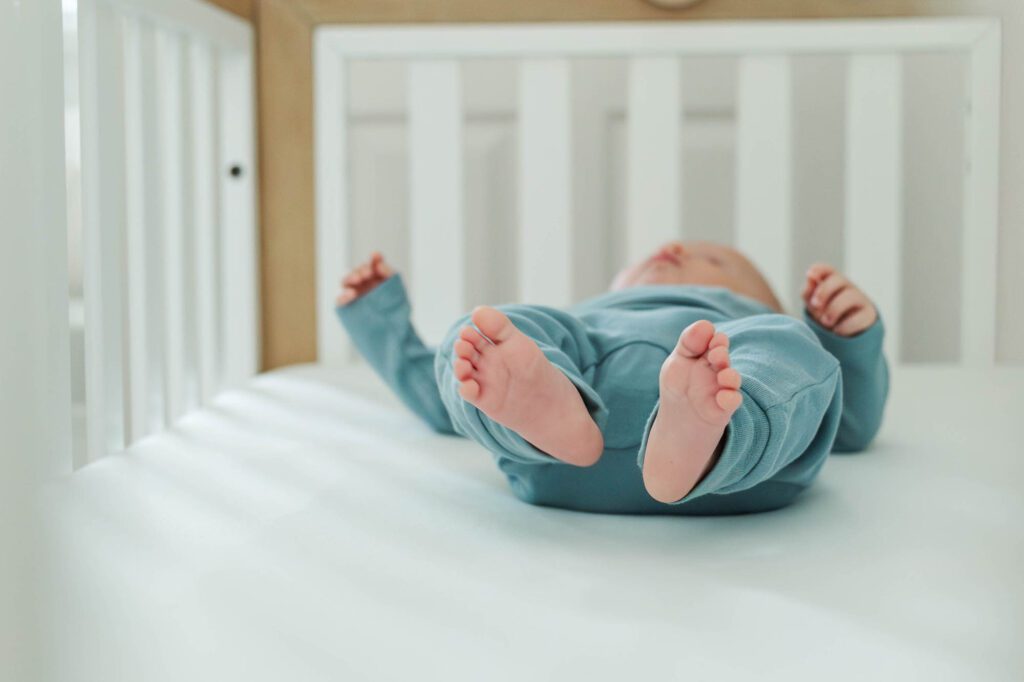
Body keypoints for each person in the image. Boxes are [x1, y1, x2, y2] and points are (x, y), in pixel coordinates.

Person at [336, 241, 889, 515]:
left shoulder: (745, 324)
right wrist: (377, 315)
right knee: (491, 335)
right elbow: (442, 394)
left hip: (724, 413)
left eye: (714, 261)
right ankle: (546, 412)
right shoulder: (583, 322)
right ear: (617, 284)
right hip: (582, 394)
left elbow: (850, 424)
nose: (674, 249)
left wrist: (844, 341)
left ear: (748, 294)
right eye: (655, 256)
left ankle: (715, 434)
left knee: (790, 347)